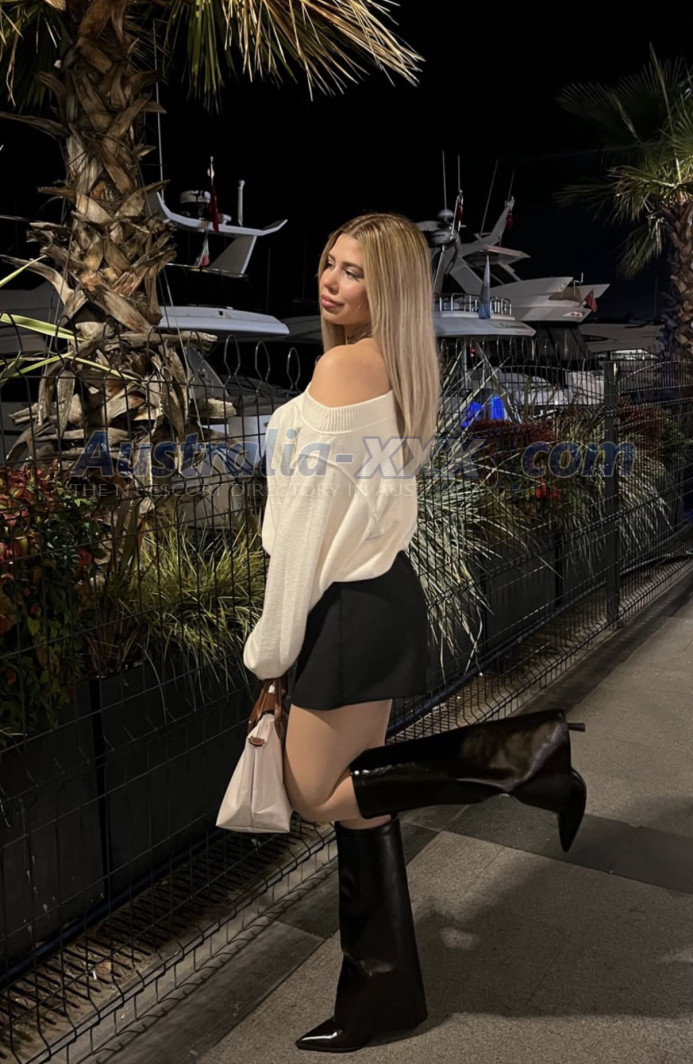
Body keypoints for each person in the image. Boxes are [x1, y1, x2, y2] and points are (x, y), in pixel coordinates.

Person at [242, 212, 587, 1054]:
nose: (331, 281)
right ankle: (382, 993)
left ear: (389, 288)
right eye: (329, 263)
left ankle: (521, 753)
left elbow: (306, 539)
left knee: (315, 793)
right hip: (374, 598)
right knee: (362, 804)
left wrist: (271, 655)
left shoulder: (343, 368)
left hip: (343, 607)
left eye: (353, 271)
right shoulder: (392, 364)